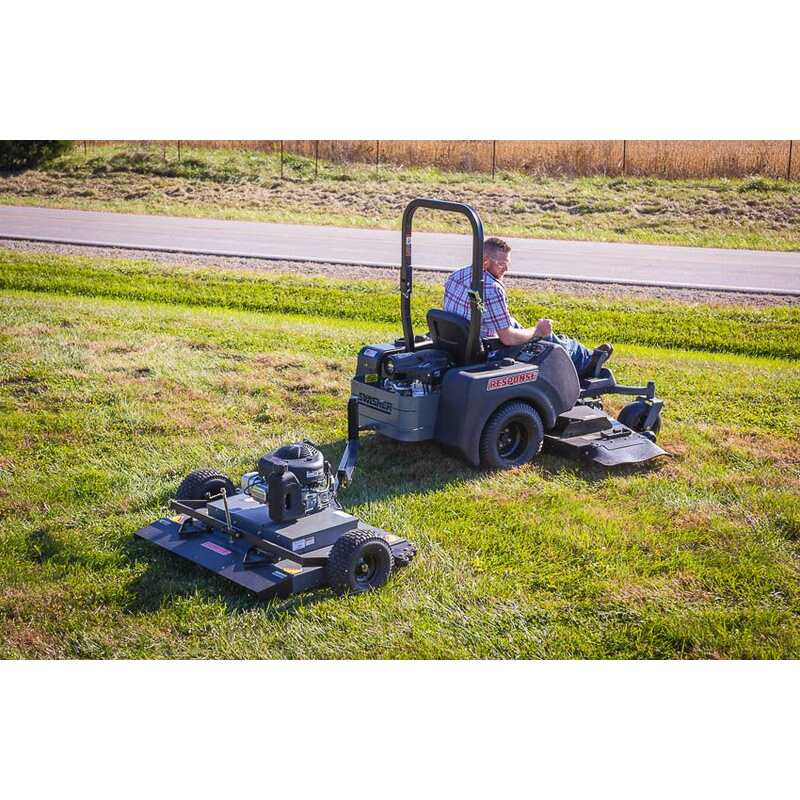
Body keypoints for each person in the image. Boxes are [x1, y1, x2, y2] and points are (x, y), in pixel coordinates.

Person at [442, 236, 612, 378]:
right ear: (485, 262)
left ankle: (581, 354)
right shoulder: (491, 288)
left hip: (461, 342)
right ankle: (586, 362)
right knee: (542, 333)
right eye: (502, 264)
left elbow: (474, 304)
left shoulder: (456, 276)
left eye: (508, 263)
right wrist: (537, 331)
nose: (506, 269)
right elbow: (507, 338)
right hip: (487, 350)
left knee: (517, 324)